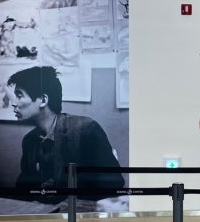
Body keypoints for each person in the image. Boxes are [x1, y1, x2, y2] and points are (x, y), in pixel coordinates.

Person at [7, 66, 124, 206]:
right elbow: (23, 189)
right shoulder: (29, 140)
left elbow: (113, 184)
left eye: (19, 95)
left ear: (43, 100)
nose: (13, 103)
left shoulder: (86, 130)